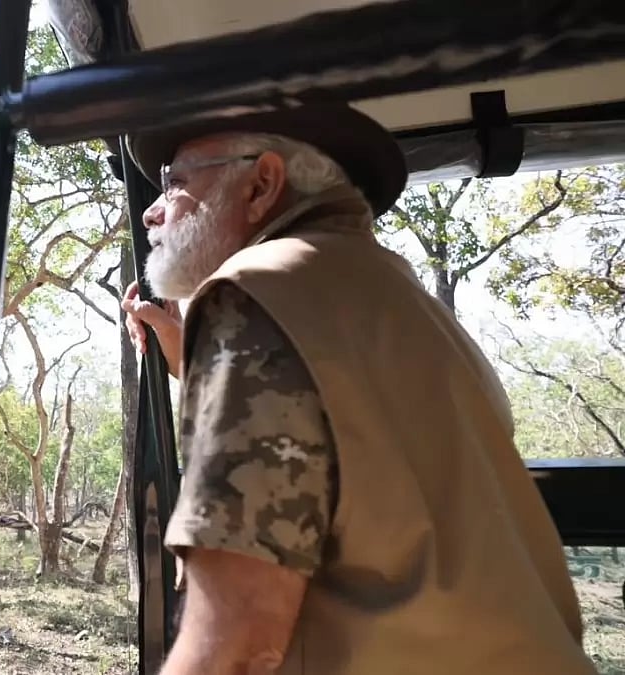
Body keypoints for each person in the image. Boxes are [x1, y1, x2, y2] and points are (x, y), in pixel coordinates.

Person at [118, 103, 597, 675]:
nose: (152, 212)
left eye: (175, 182)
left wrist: (226, 328)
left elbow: (238, 636)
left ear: (261, 185)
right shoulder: (400, 297)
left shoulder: (253, 292)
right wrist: (194, 358)